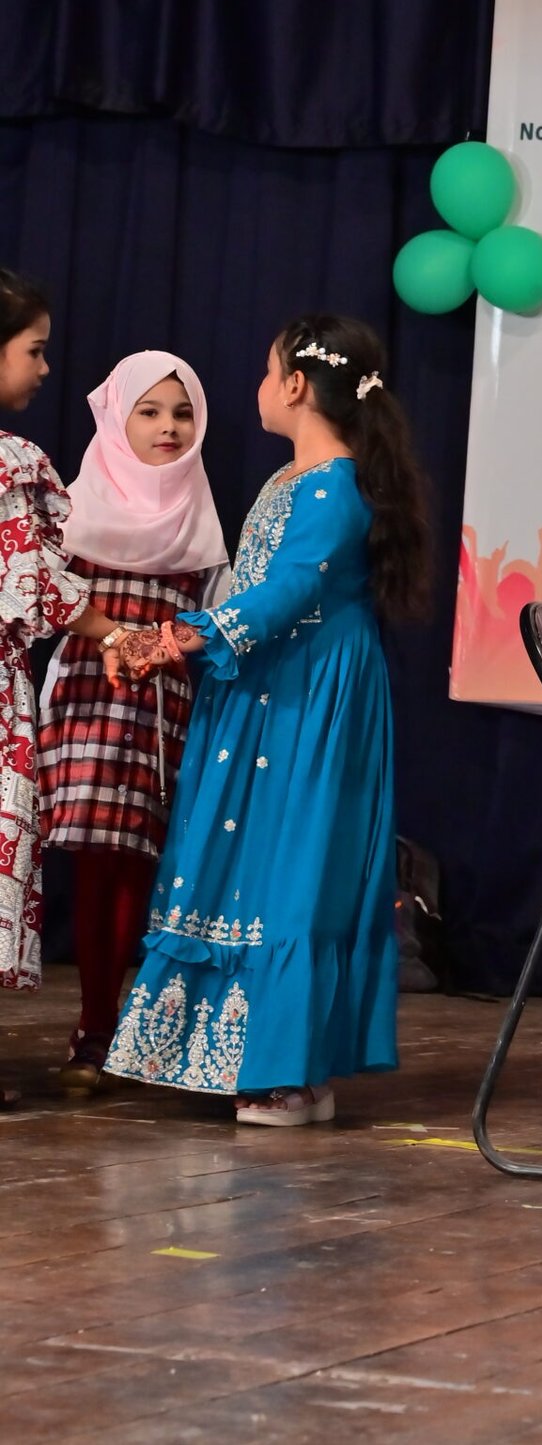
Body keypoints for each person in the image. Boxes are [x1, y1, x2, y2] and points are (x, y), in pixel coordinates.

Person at [103, 314, 429, 1128]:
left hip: (307, 696)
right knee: (269, 863)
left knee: (293, 867)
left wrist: (179, 637)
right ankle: (286, 1072)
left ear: (295, 385)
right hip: (271, 685)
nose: (257, 387)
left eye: (264, 371)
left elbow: (288, 592)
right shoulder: (293, 479)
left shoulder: (332, 486)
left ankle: (284, 1073)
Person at [38, 352, 230, 1091]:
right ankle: (94, 1030)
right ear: (118, 418)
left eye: (182, 413)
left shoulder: (201, 515)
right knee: (96, 861)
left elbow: (220, 619)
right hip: (89, 695)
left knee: (142, 865)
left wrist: (172, 647)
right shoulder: (73, 505)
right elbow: (44, 597)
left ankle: (131, 1029)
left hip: (162, 708)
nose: (168, 427)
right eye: (148, 412)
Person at [0, 269, 119, 1098]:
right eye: (34, 350)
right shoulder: (10, 461)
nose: (46, 367)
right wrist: (119, 632)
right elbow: (33, 584)